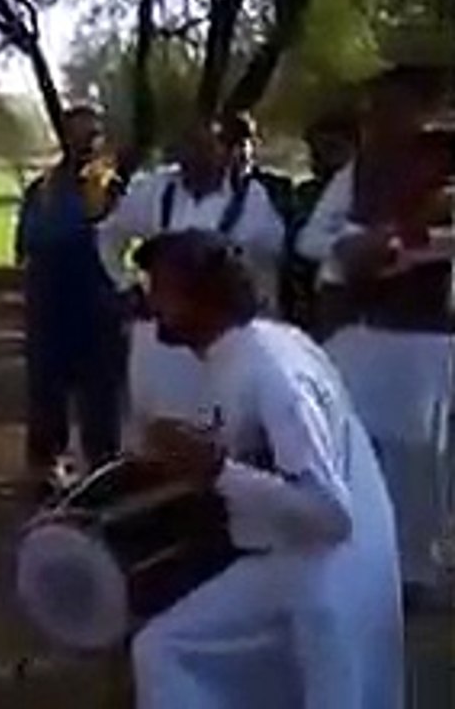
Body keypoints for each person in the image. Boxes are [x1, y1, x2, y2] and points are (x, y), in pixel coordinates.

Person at [129, 229, 402, 709]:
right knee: (164, 647)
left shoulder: (274, 373)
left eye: (162, 288)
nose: (150, 300)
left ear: (203, 297)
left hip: (327, 574)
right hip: (292, 563)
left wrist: (216, 470)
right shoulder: (245, 351)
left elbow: (331, 515)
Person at [295, 65, 453, 599]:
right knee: (349, 444)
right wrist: (356, 246)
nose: (374, 119)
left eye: (387, 107)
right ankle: (359, 553)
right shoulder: (360, 171)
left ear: (421, 109)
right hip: (360, 330)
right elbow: (312, 237)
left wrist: (400, 248)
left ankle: (417, 571)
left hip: (425, 337)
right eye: (370, 109)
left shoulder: (446, 162)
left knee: (417, 457)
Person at [99, 115, 286, 446]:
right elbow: (109, 235)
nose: (194, 157)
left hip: (217, 334)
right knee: (153, 424)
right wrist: (126, 286)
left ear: (226, 153)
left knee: (217, 430)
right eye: (186, 149)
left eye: (205, 148)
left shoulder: (251, 198)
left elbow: (268, 258)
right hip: (161, 332)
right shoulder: (155, 189)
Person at [15, 105, 124, 481]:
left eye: (92, 135)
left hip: (97, 304)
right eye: (77, 134)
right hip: (49, 304)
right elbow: (27, 244)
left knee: (100, 400)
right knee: (46, 396)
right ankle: (45, 471)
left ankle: (104, 474)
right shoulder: (42, 188)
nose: (84, 143)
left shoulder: (112, 187)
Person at [287, 110, 358, 335]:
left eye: (332, 149)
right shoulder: (304, 193)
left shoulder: (362, 189)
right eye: (315, 151)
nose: (321, 158)